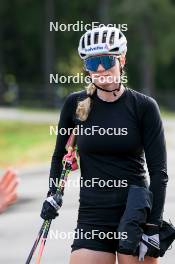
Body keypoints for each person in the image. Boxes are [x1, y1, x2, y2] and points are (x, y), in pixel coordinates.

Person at [40, 26, 168, 264]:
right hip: (93, 215)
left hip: (135, 213)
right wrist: (51, 195)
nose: (100, 69)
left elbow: (159, 174)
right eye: (92, 63)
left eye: (107, 60)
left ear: (122, 59)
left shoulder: (144, 107)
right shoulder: (74, 104)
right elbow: (59, 156)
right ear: (86, 68)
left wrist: (152, 226)